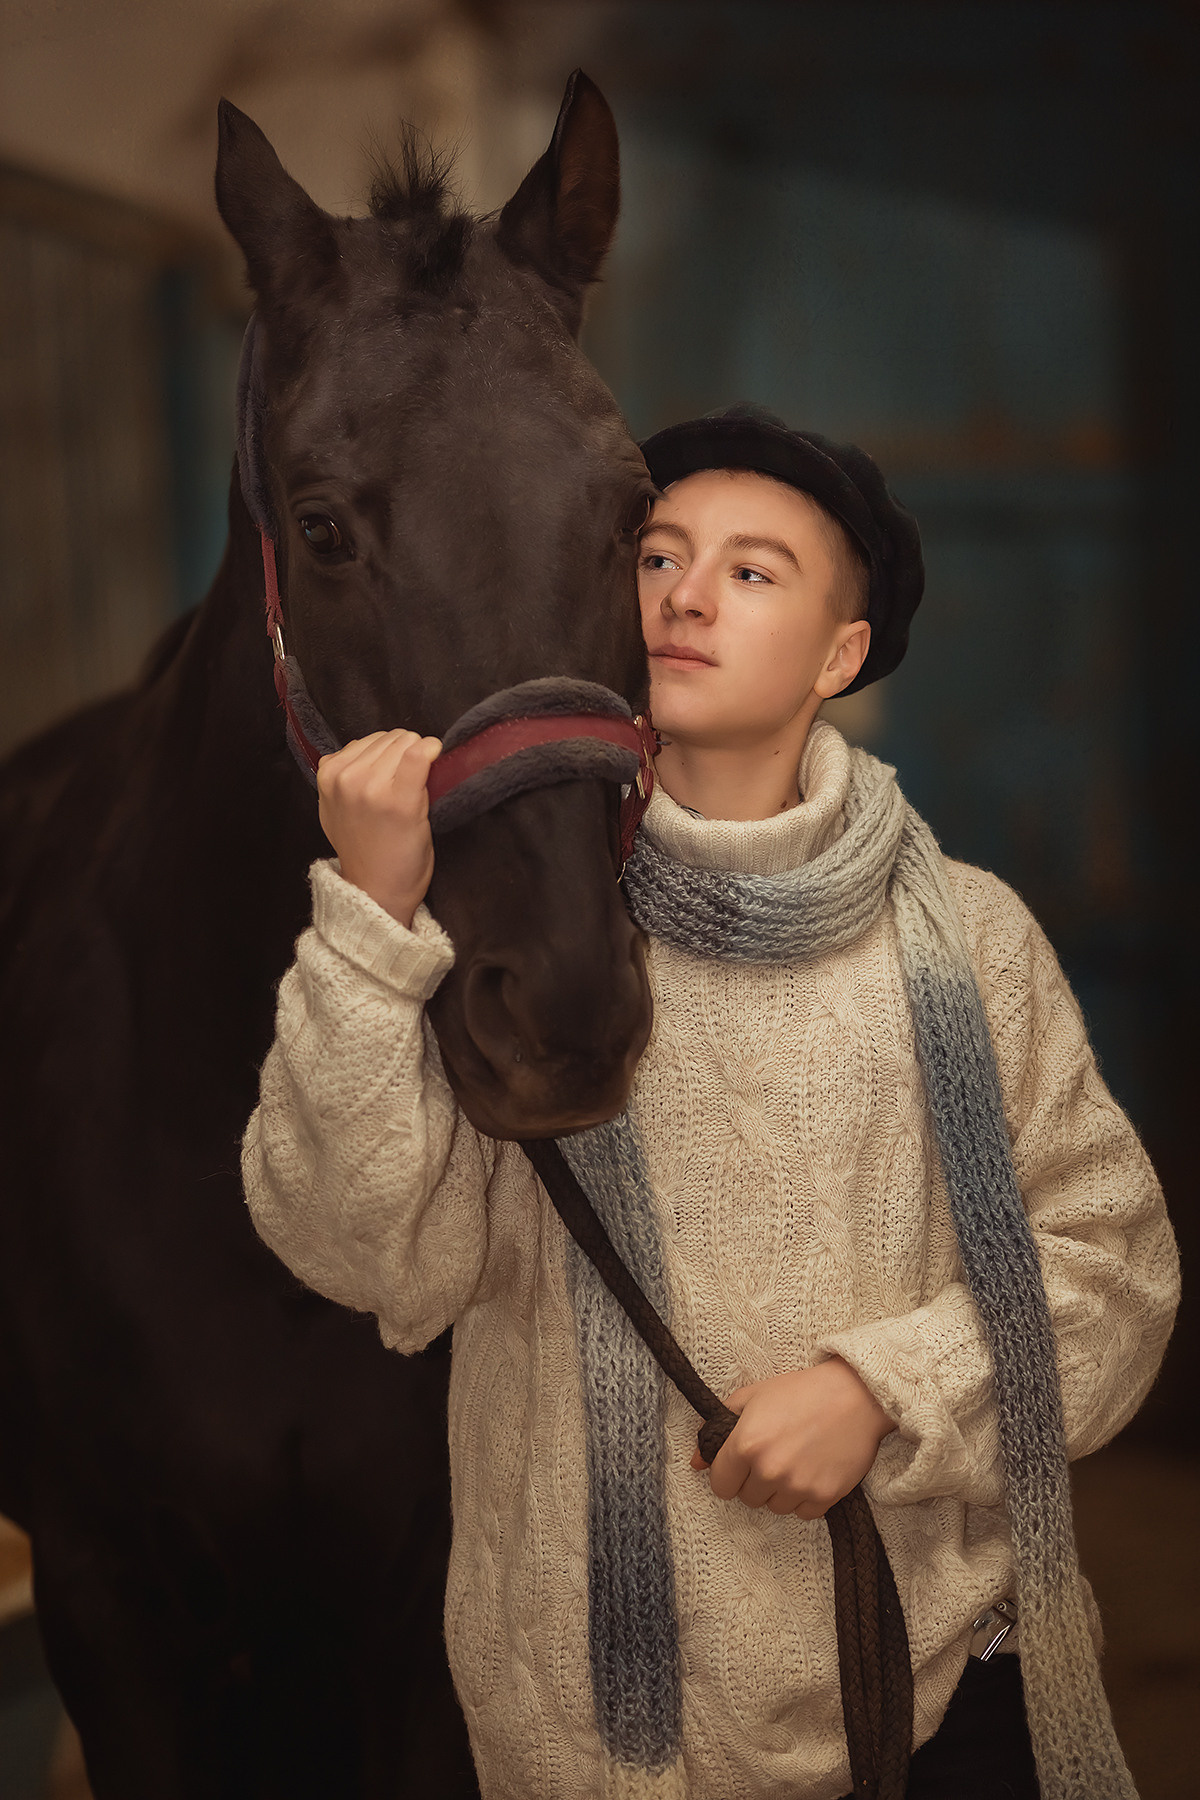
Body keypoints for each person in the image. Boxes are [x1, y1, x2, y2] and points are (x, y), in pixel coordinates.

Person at [241, 405, 1178, 1800]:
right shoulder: (509, 934)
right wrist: (374, 923)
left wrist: (880, 1394)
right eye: (659, 556)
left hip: (926, 1705)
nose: (684, 594)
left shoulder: (968, 941)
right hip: (589, 1739)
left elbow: (1116, 1281)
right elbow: (381, 1258)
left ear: (842, 654)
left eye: (752, 572)